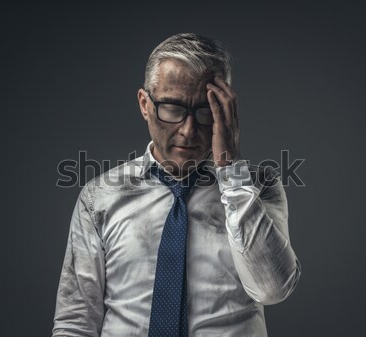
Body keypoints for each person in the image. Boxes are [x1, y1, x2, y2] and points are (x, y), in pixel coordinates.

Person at [52, 32, 301, 337]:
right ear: (145, 104)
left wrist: (231, 171)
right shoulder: (98, 197)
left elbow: (271, 289)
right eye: (172, 108)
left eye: (205, 111)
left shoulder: (260, 185)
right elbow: (76, 322)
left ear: (226, 110)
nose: (188, 130)